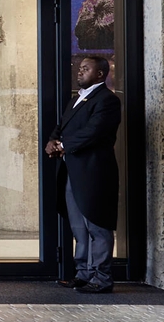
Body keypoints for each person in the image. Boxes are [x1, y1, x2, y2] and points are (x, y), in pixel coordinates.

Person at [44, 54, 121, 294]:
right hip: (72, 171)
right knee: (79, 227)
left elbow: (94, 131)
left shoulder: (108, 100)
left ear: (100, 74)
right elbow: (62, 126)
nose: (79, 71)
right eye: (80, 67)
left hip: (94, 173)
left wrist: (63, 145)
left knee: (97, 225)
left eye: (85, 69)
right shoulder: (77, 99)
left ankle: (102, 278)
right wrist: (52, 141)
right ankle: (84, 274)